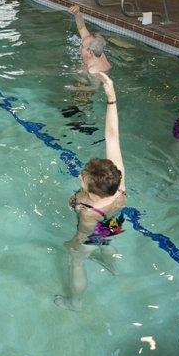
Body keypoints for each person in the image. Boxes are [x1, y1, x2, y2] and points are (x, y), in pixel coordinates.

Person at [55, 72, 126, 312]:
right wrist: (111, 97)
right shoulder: (119, 183)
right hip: (114, 222)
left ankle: (74, 303)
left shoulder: (87, 211)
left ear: (88, 186)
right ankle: (110, 262)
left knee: (76, 262)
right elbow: (113, 136)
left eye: (84, 175)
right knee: (105, 240)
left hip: (91, 230)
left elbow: (83, 235)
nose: (82, 174)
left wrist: (72, 244)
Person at [66, 5, 112, 93]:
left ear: (90, 52)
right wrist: (77, 13)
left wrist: (75, 88)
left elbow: (94, 87)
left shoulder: (94, 71)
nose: (80, 47)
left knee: (79, 72)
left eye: (82, 46)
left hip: (92, 78)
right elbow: (81, 27)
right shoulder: (97, 50)